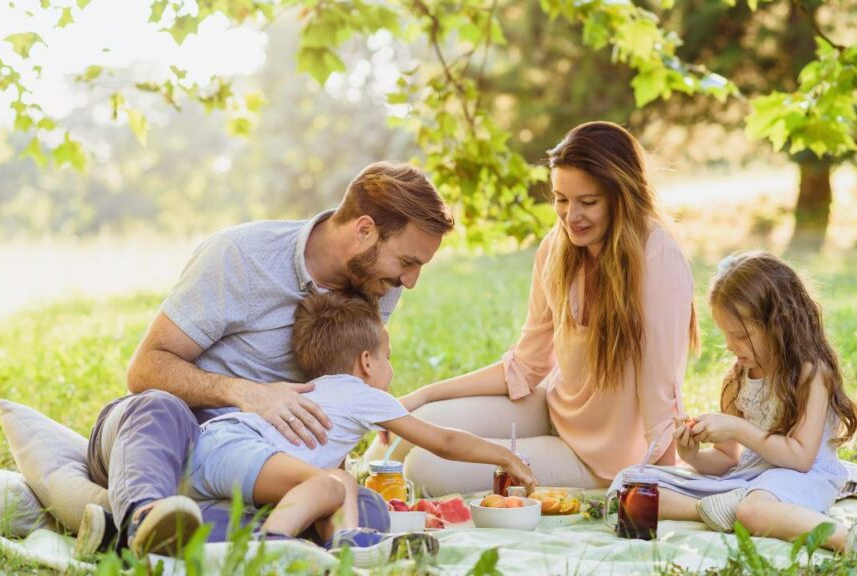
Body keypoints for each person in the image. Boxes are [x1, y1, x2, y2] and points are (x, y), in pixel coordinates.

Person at [80, 162, 455, 557]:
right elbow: (145, 370)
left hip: (258, 464)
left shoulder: (378, 283)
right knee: (159, 406)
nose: (410, 281)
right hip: (168, 441)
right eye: (408, 262)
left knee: (364, 511)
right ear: (364, 230)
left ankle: (139, 535)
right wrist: (248, 393)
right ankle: (144, 515)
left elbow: (338, 391)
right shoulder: (240, 255)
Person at [365, 121, 698, 494]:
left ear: (621, 197)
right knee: (417, 423)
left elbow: (660, 388)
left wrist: (661, 487)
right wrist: (424, 395)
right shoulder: (556, 249)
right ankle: (346, 486)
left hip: (603, 458)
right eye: (561, 199)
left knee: (426, 469)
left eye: (588, 202)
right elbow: (526, 366)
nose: (571, 217)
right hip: (553, 411)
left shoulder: (657, 256)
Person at [167, 291, 536, 563]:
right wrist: (504, 456)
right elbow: (444, 441)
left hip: (215, 451)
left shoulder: (326, 390)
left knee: (341, 483)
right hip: (232, 447)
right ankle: (270, 547)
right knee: (325, 484)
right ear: (366, 362)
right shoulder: (361, 393)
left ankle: (348, 545)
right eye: (387, 358)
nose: (390, 369)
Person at [609, 252, 857, 551]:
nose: (729, 345)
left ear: (779, 325)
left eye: (740, 335)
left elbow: (800, 459)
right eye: (726, 335)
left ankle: (845, 540)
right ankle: (712, 508)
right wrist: (692, 455)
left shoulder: (811, 374)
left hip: (803, 478)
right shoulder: (737, 379)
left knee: (753, 511)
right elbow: (727, 460)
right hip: (747, 480)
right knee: (630, 484)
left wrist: (738, 428)